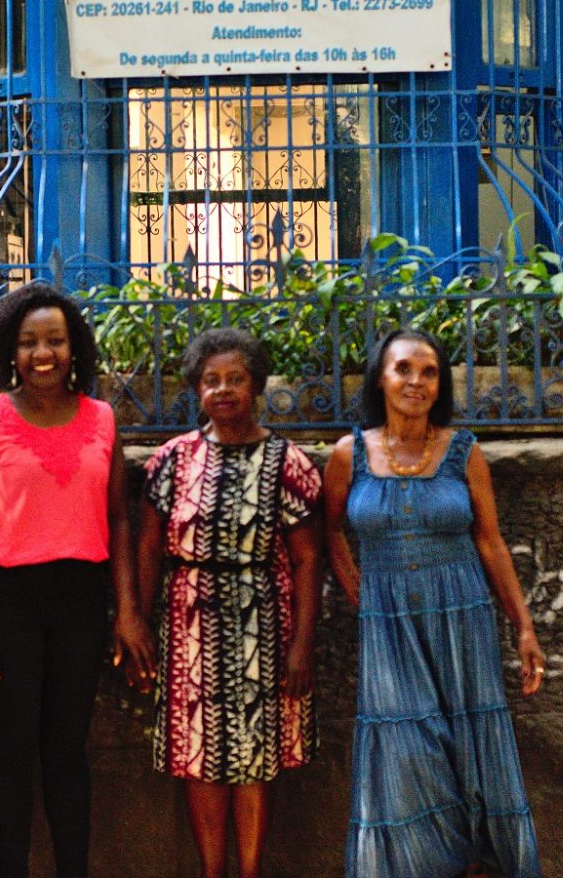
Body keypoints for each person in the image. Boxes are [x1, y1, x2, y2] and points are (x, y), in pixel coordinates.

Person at [0, 281, 155, 878]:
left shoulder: (103, 419)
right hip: (7, 601)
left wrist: (128, 610)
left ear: (74, 348)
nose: (44, 353)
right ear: (10, 351)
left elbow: (118, 519)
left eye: (56, 341)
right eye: (29, 342)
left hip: (80, 603)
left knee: (67, 753)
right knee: (11, 751)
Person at [323, 328, 546, 878]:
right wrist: (354, 577)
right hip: (389, 625)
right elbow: (328, 530)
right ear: (381, 376)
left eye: (428, 373)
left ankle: (476, 866)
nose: (415, 382)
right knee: (410, 754)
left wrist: (523, 626)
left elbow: (490, 542)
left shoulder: (463, 451)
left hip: (461, 614)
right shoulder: (348, 454)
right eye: (403, 369)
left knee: (468, 751)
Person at [136, 328, 323, 878]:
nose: (223, 390)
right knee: (200, 757)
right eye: (211, 380)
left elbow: (309, 560)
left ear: (257, 385)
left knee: (253, 758)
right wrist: (137, 621)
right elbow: (148, 546)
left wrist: (301, 646)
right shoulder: (174, 460)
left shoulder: (286, 461)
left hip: (261, 623)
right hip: (188, 623)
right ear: (196, 390)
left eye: (235, 379)